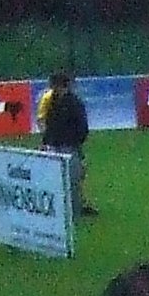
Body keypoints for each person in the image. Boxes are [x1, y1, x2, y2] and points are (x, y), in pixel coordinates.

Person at [38, 68, 93, 216]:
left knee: (73, 178)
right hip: (57, 145)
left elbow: (82, 127)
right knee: (64, 178)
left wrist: (75, 143)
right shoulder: (54, 102)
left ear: (59, 86)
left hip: (69, 146)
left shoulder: (74, 103)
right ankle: (67, 207)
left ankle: (75, 208)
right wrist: (45, 141)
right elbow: (50, 124)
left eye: (53, 85)